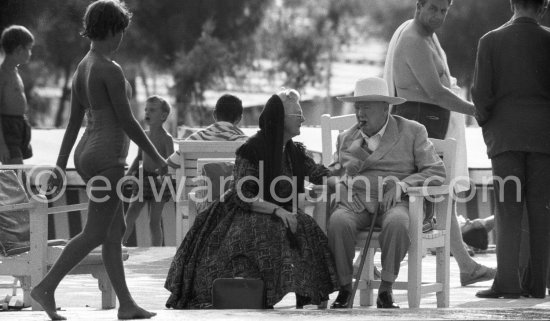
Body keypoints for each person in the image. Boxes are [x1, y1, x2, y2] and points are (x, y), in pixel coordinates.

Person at [30, 1, 166, 319]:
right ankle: (46, 287)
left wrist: (60, 168)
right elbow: (129, 121)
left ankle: (127, 305)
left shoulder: (83, 67)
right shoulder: (109, 68)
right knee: (95, 231)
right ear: (111, 30)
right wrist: (157, 156)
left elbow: (73, 124)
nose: (121, 39)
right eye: (121, 31)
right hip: (107, 158)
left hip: (86, 154)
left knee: (113, 230)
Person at [164, 89, 338, 309]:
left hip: (280, 212)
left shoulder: (293, 151)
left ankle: (309, 293)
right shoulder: (252, 148)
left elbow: (318, 173)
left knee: (305, 227)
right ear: (281, 119)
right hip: (244, 211)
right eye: (298, 114)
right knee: (265, 231)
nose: (303, 119)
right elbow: (243, 194)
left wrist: (345, 182)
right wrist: (278, 210)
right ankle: (250, 293)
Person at [383, 0, 496, 287]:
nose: (438, 16)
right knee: (420, 197)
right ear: (419, 6)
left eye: (444, 11)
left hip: (431, 123)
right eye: (433, 8)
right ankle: (369, 265)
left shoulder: (429, 37)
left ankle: (466, 265)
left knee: (445, 194)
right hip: (417, 122)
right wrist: (476, 109)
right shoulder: (412, 38)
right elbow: (435, 92)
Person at [327, 77, 446, 309]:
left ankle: (386, 289)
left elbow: (436, 171)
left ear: (385, 107)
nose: (360, 113)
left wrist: (403, 185)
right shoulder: (346, 137)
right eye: (357, 107)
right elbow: (331, 172)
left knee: (398, 223)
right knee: (338, 222)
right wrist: (340, 185)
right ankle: (344, 289)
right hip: (356, 203)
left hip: (396, 202)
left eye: (367, 107)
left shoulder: (412, 131)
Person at [472, 0, 550, 299]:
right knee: (542, 210)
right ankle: (537, 284)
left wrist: (489, 126)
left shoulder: (490, 41)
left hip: (505, 138)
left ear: (512, 4)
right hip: (544, 139)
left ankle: (507, 283)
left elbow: (480, 95)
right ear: (542, 8)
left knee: (508, 210)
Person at [123, 95, 175, 246]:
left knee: (154, 221)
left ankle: (156, 251)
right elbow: (139, 156)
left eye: (152, 110)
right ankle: (120, 246)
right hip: (143, 178)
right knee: (130, 215)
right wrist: (128, 173)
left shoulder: (167, 138)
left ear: (163, 116)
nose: (147, 113)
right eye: (146, 109)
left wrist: (167, 178)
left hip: (160, 182)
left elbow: (170, 162)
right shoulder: (144, 135)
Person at [0, 25, 34, 165]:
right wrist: (2, 145)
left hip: (19, 126)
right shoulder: (2, 75)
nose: (31, 53)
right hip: (7, 129)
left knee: (16, 172)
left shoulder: (15, 71)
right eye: (29, 48)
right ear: (19, 50)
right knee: (15, 172)